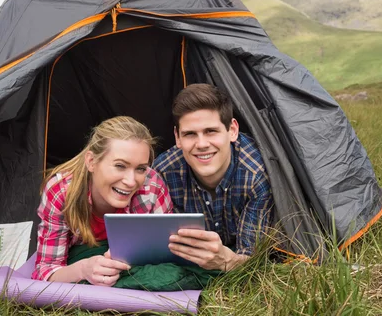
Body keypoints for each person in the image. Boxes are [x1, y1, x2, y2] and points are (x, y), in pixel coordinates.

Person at [32, 116, 173, 286]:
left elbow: (165, 254)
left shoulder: (152, 186)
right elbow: (46, 270)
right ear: (91, 162)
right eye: (120, 165)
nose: (130, 181)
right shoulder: (61, 191)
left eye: (141, 168)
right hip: (80, 257)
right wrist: (83, 269)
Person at [152, 84, 274, 272]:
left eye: (211, 131)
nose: (201, 144)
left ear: (232, 130)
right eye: (190, 134)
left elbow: (253, 260)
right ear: (177, 137)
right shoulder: (163, 173)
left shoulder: (256, 175)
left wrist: (227, 262)